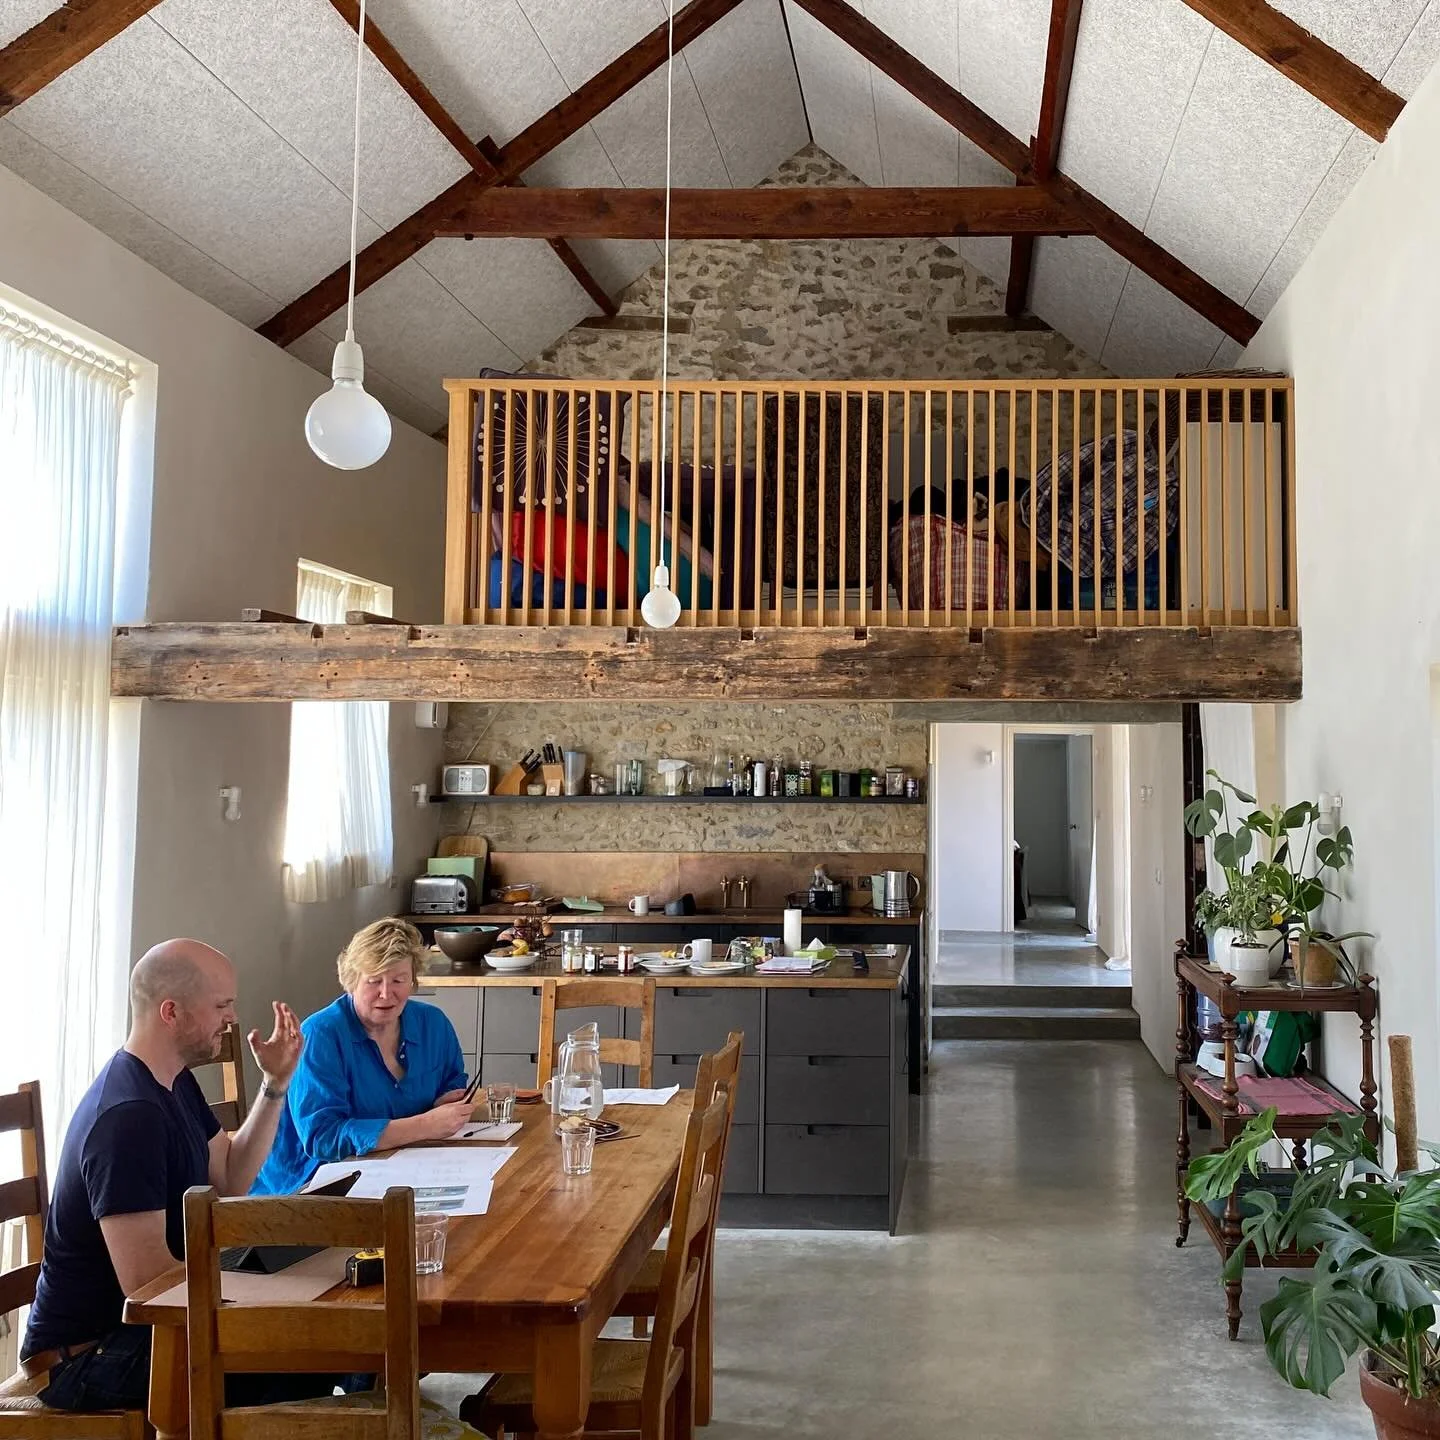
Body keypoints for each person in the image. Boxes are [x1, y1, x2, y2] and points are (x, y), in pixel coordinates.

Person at [22, 938, 305, 1411]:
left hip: (141, 1328)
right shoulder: (129, 1116)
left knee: (319, 1337)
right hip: (88, 1355)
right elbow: (147, 1286)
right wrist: (263, 1290)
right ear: (171, 1012)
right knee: (302, 1347)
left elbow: (231, 1177)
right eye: (222, 1005)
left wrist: (275, 1085)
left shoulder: (172, 1081)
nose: (231, 1018)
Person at [253, 918, 474, 1196]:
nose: (386, 993)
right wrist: (426, 1125)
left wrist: (450, 1102)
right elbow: (323, 1138)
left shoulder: (433, 1024)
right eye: (373, 981)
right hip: (312, 1186)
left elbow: (452, 1083)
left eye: (398, 980)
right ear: (351, 981)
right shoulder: (320, 1035)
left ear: (413, 980)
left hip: (406, 1171)